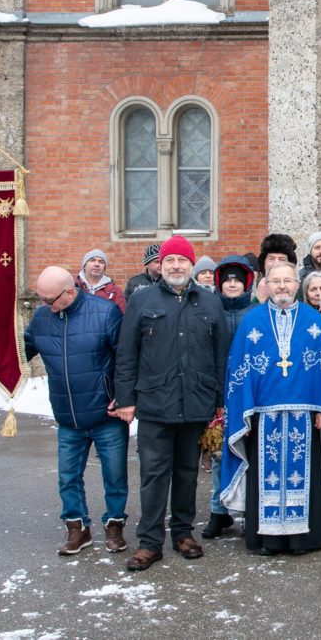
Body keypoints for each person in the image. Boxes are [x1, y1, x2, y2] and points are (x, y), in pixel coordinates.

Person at [219, 262, 321, 556]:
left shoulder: (313, 320)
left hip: (306, 415)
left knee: (306, 473)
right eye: (276, 281)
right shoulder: (252, 321)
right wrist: (244, 411)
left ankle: (304, 538)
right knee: (263, 473)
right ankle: (267, 539)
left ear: (298, 284)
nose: (282, 286)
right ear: (266, 284)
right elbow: (239, 370)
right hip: (263, 416)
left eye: (288, 281)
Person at [114, 235, 232, 571]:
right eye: (170, 261)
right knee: (153, 474)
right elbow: (127, 353)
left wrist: (220, 401)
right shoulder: (142, 300)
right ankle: (150, 542)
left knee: (187, 472)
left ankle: (183, 533)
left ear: (192, 265)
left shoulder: (210, 302)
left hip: (196, 401)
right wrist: (125, 398)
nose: (176, 266)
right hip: (155, 403)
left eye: (182, 261)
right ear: (160, 266)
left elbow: (220, 354)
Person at [24, 267, 128, 556]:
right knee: (68, 476)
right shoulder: (42, 317)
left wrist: (122, 395)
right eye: (41, 299)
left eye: (48, 299)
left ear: (69, 292)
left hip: (105, 413)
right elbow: (23, 350)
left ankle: (115, 525)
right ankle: (77, 528)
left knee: (115, 475)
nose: (44, 305)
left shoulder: (105, 313)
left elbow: (125, 357)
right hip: (67, 415)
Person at [201, 255, 256, 540]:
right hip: (219, 393)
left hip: (250, 394)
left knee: (249, 452)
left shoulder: (256, 312)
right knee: (220, 454)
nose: (232, 284)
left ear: (245, 281)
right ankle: (218, 511)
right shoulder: (210, 310)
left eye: (237, 279)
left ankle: (249, 510)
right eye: (227, 280)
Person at [254, 234, 298, 303]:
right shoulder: (252, 287)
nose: (276, 263)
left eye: (281, 259)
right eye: (271, 258)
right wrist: (259, 300)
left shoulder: (296, 289)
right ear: (264, 262)